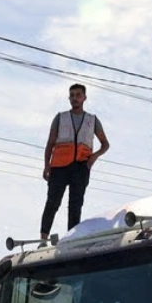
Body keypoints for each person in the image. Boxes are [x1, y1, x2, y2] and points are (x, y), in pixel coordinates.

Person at [40, 83, 111, 241]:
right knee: (52, 202)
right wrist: (46, 165)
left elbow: (105, 144)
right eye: (72, 95)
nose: (75, 98)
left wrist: (94, 157)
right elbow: (50, 143)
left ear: (84, 98)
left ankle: (70, 239)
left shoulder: (92, 120)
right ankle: (43, 239)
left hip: (81, 167)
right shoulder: (60, 118)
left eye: (78, 95)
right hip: (58, 166)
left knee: (75, 205)